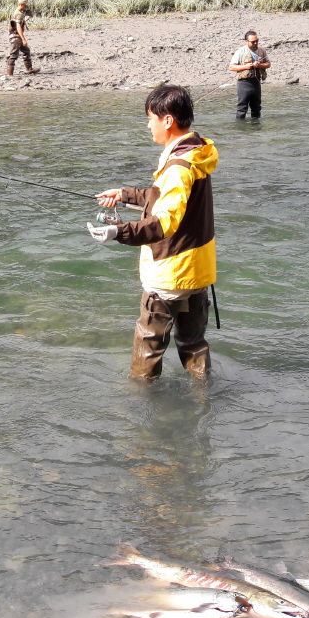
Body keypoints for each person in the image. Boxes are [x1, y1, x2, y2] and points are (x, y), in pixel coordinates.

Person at [89, 85, 219, 379]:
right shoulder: (195, 153)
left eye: (151, 118)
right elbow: (170, 199)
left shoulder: (177, 168)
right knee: (194, 345)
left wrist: (117, 231)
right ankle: (203, 401)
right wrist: (126, 194)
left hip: (170, 274)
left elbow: (164, 222)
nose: (149, 125)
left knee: (147, 350)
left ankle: (142, 413)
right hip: (197, 272)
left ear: (168, 120)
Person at [228, 30, 270, 119]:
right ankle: (240, 129)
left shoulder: (262, 50)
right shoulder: (240, 51)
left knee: (256, 107)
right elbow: (231, 67)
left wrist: (260, 65)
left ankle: (256, 128)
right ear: (246, 41)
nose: (255, 43)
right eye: (253, 42)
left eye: (257, 41)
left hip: (256, 82)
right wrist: (246, 67)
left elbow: (268, 64)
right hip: (244, 83)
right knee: (242, 108)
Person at [6, 0, 40, 77]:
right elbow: (18, 28)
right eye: (25, 5)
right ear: (21, 5)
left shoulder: (16, 12)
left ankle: (29, 69)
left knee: (26, 51)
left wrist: (24, 20)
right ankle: (9, 74)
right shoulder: (19, 14)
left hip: (16, 37)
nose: (26, 7)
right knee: (13, 55)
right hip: (16, 38)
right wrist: (24, 39)